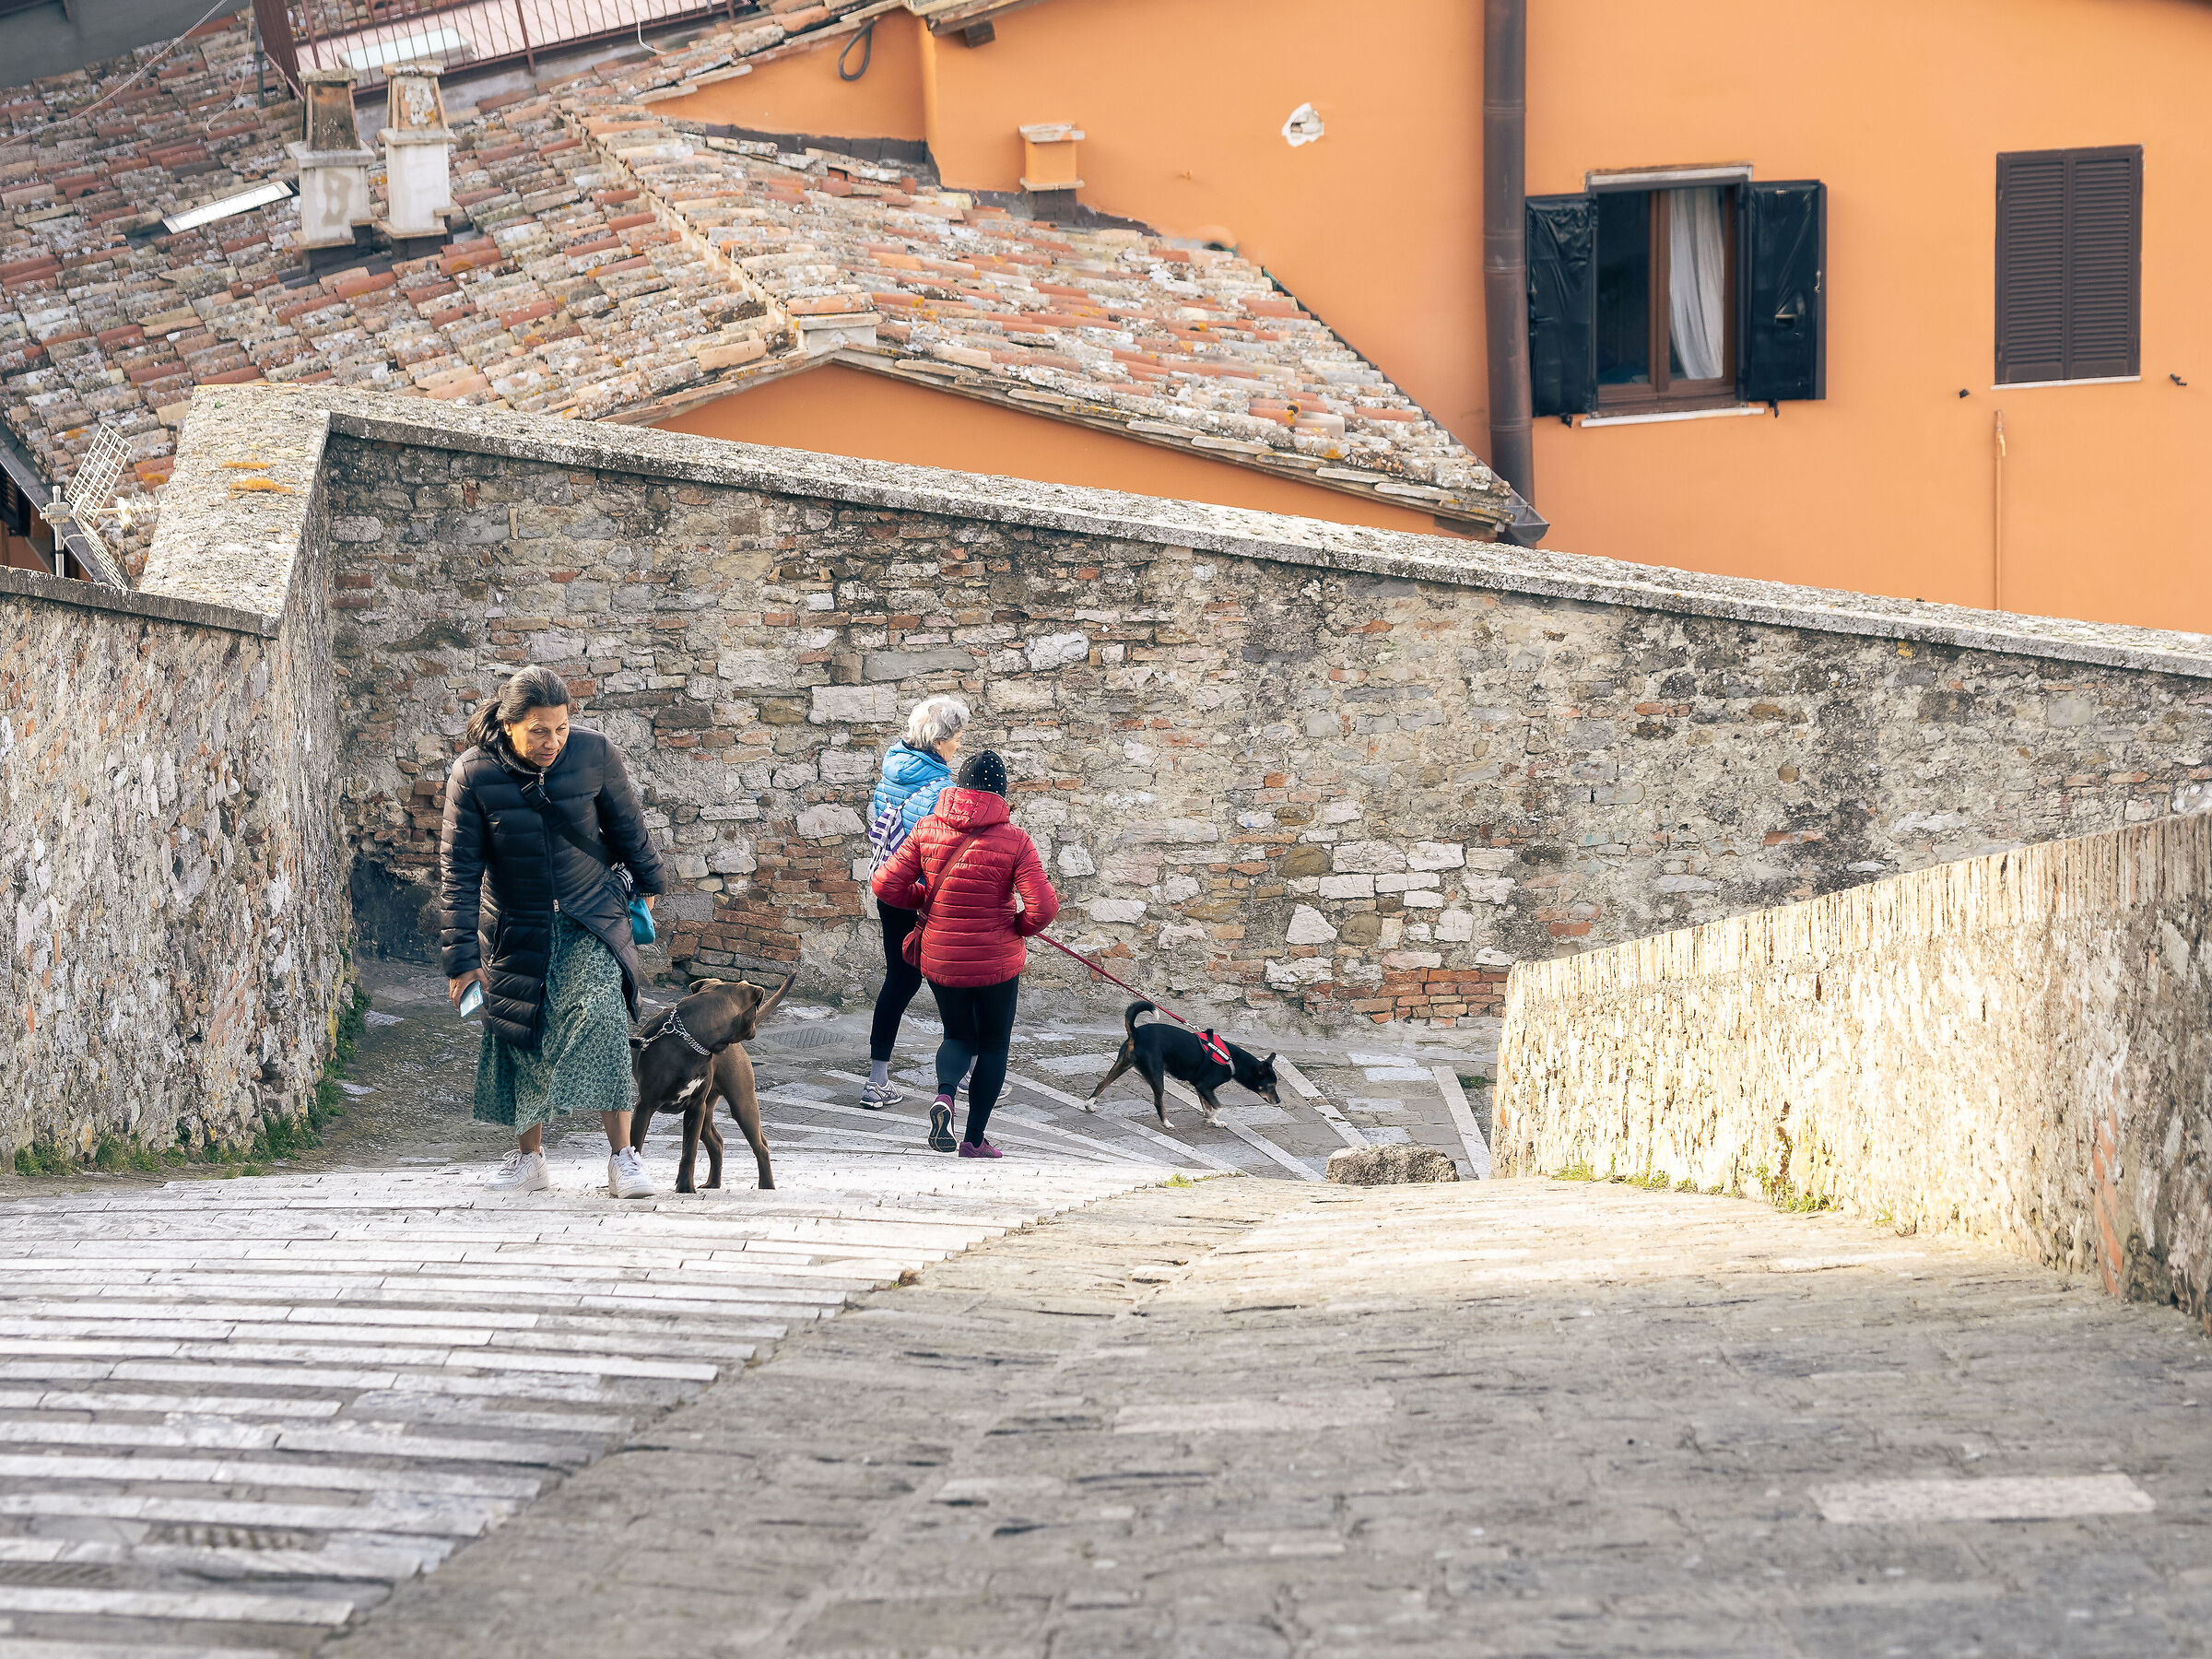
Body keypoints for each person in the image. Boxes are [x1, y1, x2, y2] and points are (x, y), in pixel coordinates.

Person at [439, 665, 665, 1198]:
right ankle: (530, 1161)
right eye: (539, 730)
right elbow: (458, 872)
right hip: (517, 923)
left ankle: (623, 1158)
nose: (552, 741)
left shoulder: (594, 754)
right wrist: (461, 960)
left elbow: (627, 825)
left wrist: (649, 881)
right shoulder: (473, 775)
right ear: (509, 722)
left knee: (605, 1017)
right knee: (523, 1032)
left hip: (591, 913)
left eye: (560, 728)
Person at [870, 750, 1058, 1158]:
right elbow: (1043, 908)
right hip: (996, 960)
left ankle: (944, 1096)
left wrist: (923, 897)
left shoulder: (926, 829)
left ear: (960, 785)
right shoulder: (1016, 840)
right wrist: (1017, 927)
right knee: (992, 1045)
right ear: (1001, 791)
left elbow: (884, 885)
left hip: (941, 956)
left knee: (957, 1034)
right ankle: (973, 1139)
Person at [862, 695, 969, 1110]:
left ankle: (877, 1080)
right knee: (951, 980)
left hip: (891, 890)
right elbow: (942, 848)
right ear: (940, 740)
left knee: (900, 980)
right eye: (956, 737)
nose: (959, 745)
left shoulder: (891, 770)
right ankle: (963, 1076)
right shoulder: (943, 789)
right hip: (927, 896)